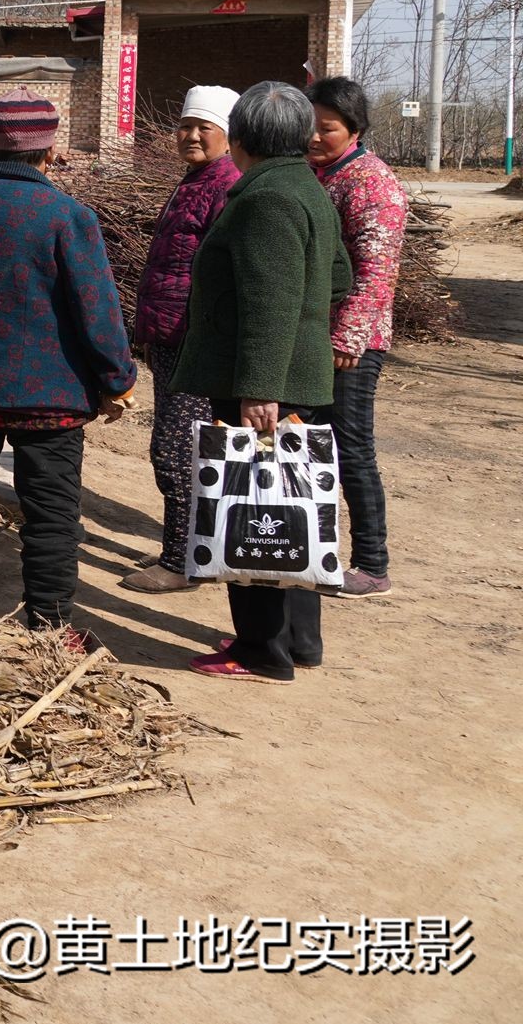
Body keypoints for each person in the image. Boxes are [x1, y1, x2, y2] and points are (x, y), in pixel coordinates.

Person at [0, 92, 136, 648]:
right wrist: (117, 380)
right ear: (51, 149)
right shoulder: (70, 218)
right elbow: (97, 309)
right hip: (51, 398)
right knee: (52, 512)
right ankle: (50, 626)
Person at [172, 82, 353, 683]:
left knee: (255, 506)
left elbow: (270, 303)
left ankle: (260, 651)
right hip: (295, 373)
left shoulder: (265, 199)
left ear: (242, 136)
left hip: (264, 382)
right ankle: (297, 640)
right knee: (295, 505)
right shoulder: (307, 188)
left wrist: (258, 388)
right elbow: (337, 279)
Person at [122, 85, 243, 594]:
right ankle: (187, 546)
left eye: (204, 129)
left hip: (194, 344)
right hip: (171, 337)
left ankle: (181, 563)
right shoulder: (195, 180)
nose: (191, 136)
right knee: (177, 447)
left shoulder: (226, 187)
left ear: (229, 135)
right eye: (186, 127)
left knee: (178, 451)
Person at [307, 76, 407, 597]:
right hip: (311, 338)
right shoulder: (316, 175)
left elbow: (376, 271)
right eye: (311, 126)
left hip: (352, 346)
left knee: (351, 448)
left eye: (328, 129)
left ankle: (372, 562)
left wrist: (347, 338)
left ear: (355, 130)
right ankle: (314, 549)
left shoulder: (371, 183)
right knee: (312, 446)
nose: (316, 137)